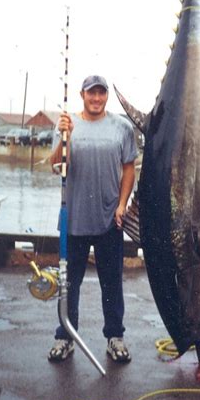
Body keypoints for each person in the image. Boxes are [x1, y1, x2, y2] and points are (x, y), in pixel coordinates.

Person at [48, 74, 138, 363]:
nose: (96, 98)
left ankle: (115, 337)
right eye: (91, 93)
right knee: (68, 284)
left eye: (101, 93)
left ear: (106, 96)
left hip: (110, 220)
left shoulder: (122, 128)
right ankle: (65, 337)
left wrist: (122, 204)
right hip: (73, 220)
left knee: (111, 284)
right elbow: (56, 165)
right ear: (82, 95)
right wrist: (67, 137)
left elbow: (129, 169)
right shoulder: (66, 125)